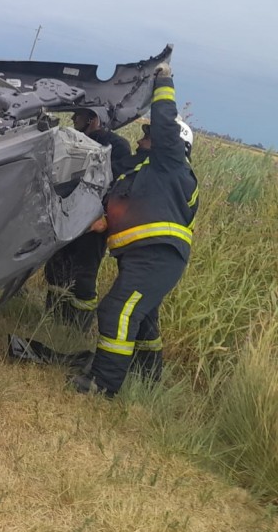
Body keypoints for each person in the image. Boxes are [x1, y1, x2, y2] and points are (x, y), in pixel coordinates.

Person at [71, 62, 198, 396]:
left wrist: (164, 81)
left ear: (172, 144)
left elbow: (164, 123)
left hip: (158, 256)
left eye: (147, 135)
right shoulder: (143, 176)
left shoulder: (172, 165)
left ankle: (102, 385)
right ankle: (149, 380)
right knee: (143, 320)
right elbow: (122, 210)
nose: (142, 139)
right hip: (144, 256)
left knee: (118, 310)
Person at [44, 107, 136, 330]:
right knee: (57, 266)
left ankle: (77, 328)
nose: (74, 118)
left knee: (83, 274)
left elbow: (115, 186)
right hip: (67, 215)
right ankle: (53, 320)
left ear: (94, 120)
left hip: (93, 222)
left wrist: (102, 217)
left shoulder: (116, 146)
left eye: (80, 115)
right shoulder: (73, 139)